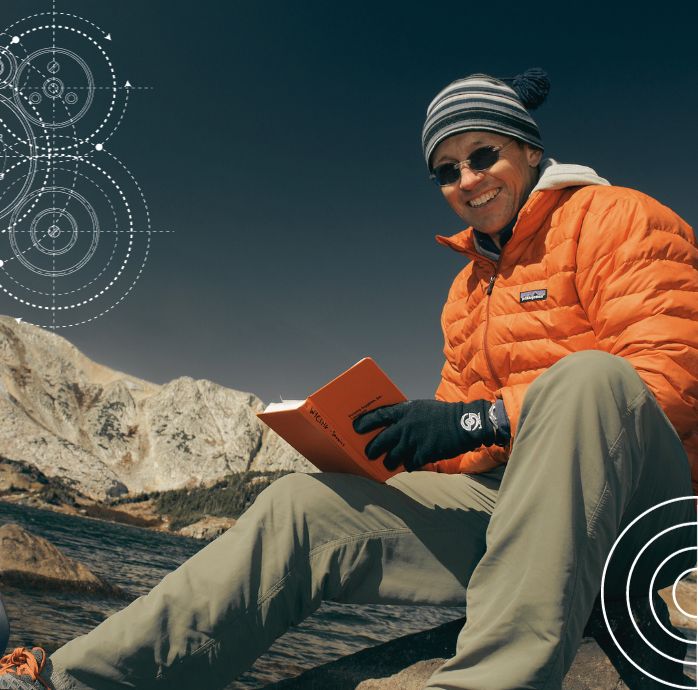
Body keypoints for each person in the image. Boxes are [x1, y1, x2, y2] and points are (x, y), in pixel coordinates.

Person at [0, 68, 696, 690]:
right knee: (300, 504)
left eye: (483, 155)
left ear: (530, 150)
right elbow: (462, 433)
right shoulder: (465, 291)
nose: (468, 180)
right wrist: (404, 439)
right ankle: (82, 679)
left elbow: (666, 379)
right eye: (447, 170)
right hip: (515, 513)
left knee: (586, 380)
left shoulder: (619, 219)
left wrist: (480, 419)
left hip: (640, 515)